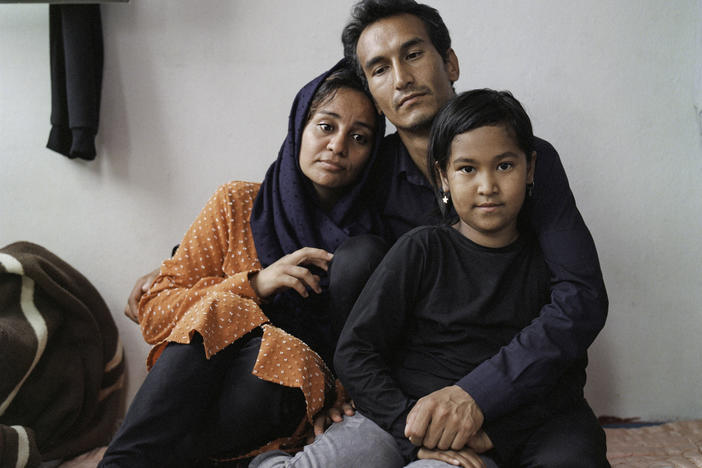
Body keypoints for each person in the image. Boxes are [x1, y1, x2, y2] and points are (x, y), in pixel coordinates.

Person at [126, 0, 608, 466]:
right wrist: (173, 268)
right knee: (353, 257)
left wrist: (477, 396)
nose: (401, 78)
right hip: (405, 393)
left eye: (414, 54)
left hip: (523, 389)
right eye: (379, 69)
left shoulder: (522, 158)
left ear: (451, 62)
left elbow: (580, 296)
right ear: (372, 93)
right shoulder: (367, 168)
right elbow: (293, 213)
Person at [99, 61, 388, 467]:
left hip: (283, 401)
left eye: (359, 138)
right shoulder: (237, 204)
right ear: (298, 128)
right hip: (195, 388)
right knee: (227, 307)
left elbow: (373, 346)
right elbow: (153, 311)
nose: (338, 146)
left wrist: (339, 395)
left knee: (287, 356)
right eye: (326, 126)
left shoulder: (373, 239)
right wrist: (255, 284)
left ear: (371, 155)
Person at [335, 89, 609, 467]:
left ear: (530, 168)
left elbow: (567, 370)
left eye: (504, 166)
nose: (487, 187)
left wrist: (486, 430)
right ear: (442, 177)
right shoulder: (422, 249)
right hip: (410, 417)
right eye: (467, 169)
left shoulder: (548, 265)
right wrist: (406, 424)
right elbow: (355, 350)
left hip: (493, 428)